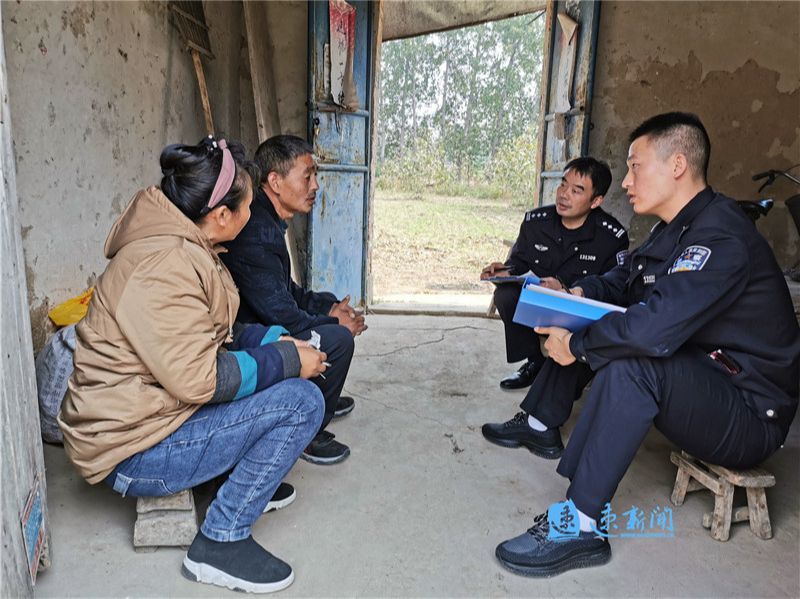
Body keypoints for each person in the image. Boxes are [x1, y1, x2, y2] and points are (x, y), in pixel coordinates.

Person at [487, 112, 800, 577]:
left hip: (749, 411)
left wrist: (578, 344)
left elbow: (654, 328)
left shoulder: (721, 235)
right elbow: (627, 278)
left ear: (677, 165)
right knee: (601, 332)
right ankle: (545, 433)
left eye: (635, 167)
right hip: (707, 380)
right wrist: (577, 295)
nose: (627, 181)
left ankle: (581, 526)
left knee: (633, 360)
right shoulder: (674, 229)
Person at [59, 137, 328, 594]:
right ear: (222, 215)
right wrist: (285, 360)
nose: (253, 215)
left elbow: (209, 336)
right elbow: (201, 378)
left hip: (151, 417)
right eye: (248, 207)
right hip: (131, 449)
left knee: (274, 366)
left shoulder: (186, 244)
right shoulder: (164, 264)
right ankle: (221, 538)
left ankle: (237, 478)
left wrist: (273, 342)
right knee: (301, 401)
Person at [221, 135, 367, 466]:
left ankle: (320, 395)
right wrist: (335, 322)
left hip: (263, 320)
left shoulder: (269, 220)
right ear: (275, 181)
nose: (315, 186)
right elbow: (282, 315)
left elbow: (287, 290)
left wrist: (329, 307)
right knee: (338, 339)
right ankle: (307, 432)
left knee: (329, 310)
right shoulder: (256, 231)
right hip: (247, 337)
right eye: (307, 176)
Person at [480, 157, 628, 390]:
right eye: (563, 184)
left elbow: (613, 289)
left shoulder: (611, 237)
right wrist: (503, 271)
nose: (564, 194)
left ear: (596, 201)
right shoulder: (536, 223)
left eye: (576, 190)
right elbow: (519, 263)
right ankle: (535, 362)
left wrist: (570, 291)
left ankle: (572, 370)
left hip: (578, 309)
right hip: (541, 302)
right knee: (505, 296)